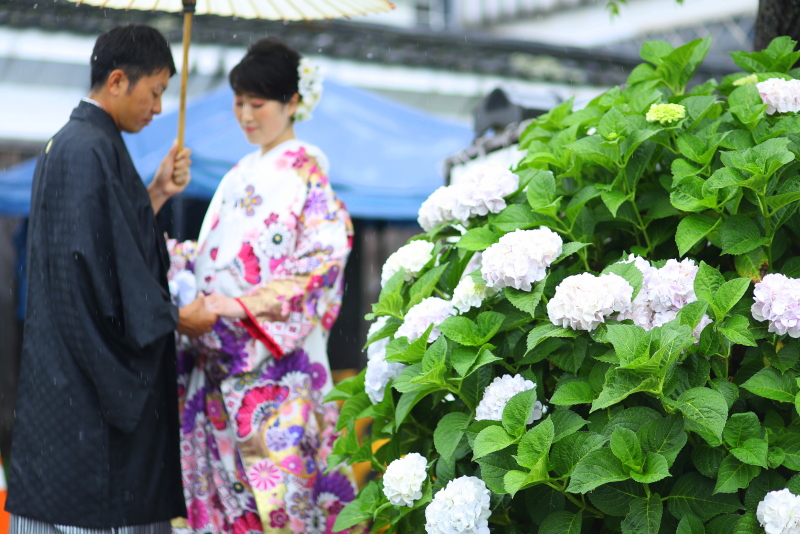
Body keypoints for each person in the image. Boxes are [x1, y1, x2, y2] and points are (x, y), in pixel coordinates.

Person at [5, 24, 218, 532]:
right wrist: (171, 317)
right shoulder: (88, 148)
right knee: (93, 507)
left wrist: (158, 192)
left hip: (62, 381)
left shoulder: (79, 142)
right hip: (83, 387)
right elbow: (94, 272)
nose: (159, 108)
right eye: (155, 91)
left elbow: (106, 241)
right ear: (118, 80)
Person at [168, 38, 361, 534]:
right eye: (238, 103)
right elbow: (211, 252)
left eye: (257, 104)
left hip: (274, 364)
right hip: (214, 358)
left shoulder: (307, 171)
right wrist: (175, 264)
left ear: (292, 102)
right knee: (225, 500)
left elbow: (323, 259)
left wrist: (244, 305)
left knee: (283, 498)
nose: (246, 116)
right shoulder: (239, 173)